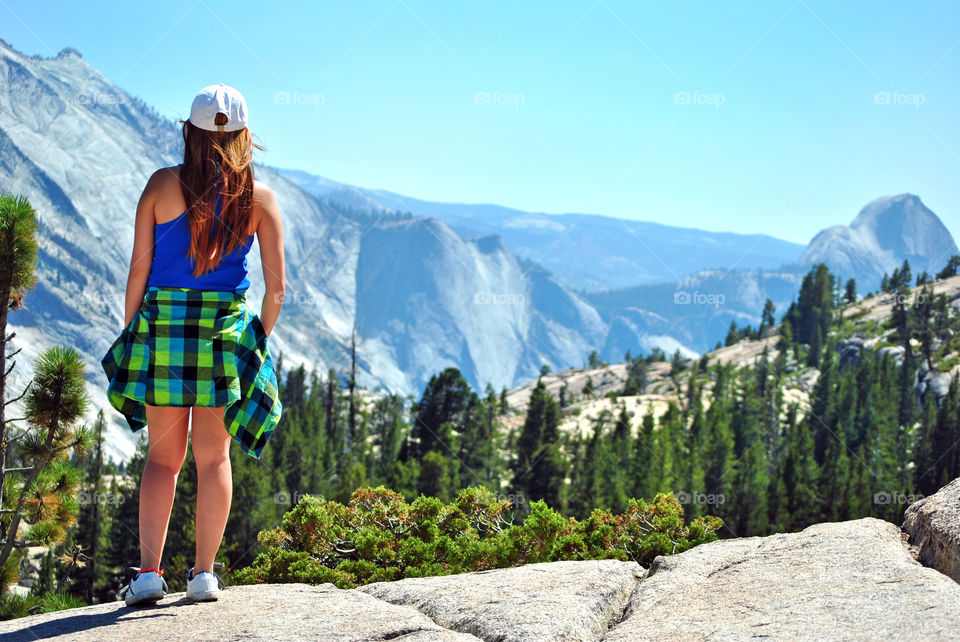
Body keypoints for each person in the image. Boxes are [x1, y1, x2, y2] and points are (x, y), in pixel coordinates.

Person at [102, 84, 285, 606]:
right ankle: (203, 575)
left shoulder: (161, 185)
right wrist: (253, 343)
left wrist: (134, 330)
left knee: (163, 462)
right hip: (222, 337)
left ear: (189, 132)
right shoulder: (260, 199)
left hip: (164, 331)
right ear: (245, 136)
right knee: (214, 458)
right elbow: (277, 291)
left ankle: (149, 575)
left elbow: (139, 269)